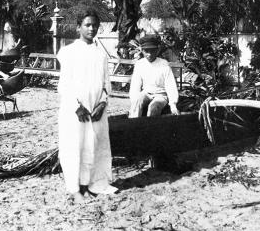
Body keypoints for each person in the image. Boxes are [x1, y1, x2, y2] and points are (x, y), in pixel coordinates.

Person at [58, 12, 118, 196]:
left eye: (95, 25)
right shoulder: (68, 52)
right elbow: (65, 83)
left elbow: (106, 83)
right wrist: (77, 106)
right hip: (74, 109)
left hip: (96, 109)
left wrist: (102, 103)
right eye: (87, 25)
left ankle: (91, 184)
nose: (92, 29)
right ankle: (75, 189)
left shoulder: (101, 54)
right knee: (74, 146)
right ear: (79, 27)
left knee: (95, 145)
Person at [128, 35, 180, 118]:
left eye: (152, 51)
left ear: (157, 50)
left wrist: (173, 105)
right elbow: (135, 84)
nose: (149, 54)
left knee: (154, 107)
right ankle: (133, 126)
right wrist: (134, 101)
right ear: (142, 50)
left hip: (161, 95)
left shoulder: (164, 64)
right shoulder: (140, 64)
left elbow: (170, 85)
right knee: (137, 101)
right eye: (146, 51)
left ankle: (150, 128)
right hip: (146, 93)